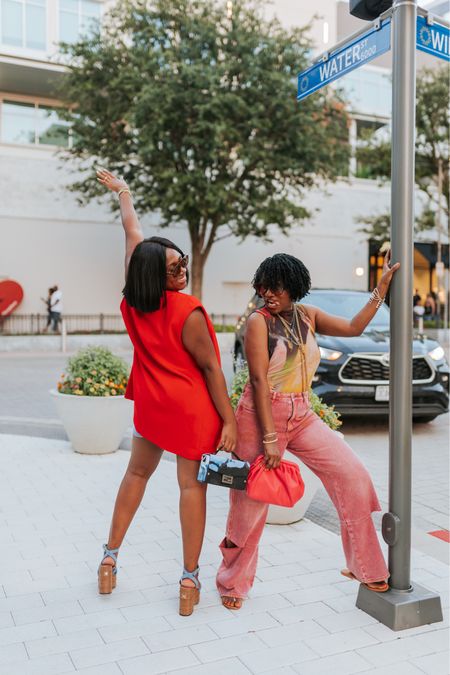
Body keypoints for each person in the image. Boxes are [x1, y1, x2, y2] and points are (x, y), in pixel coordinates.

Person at [216, 252, 400, 610]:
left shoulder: (308, 316)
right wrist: (270, 438)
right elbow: (256, 379)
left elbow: (353, 328)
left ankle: (365, 566)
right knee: (249, 507)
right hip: (259, 415)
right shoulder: (259, 321)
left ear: (295, 288)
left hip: (301, 411)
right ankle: (232, 583)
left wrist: (380, 290)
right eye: (264, 286)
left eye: (278, 287)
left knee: (352, 475)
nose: (269, 293)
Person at [96, 168, 237, 616]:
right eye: (175, 267)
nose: (183, 271)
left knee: (136, 476)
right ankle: (189, 581)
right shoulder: (188, 310)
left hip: (153, 407)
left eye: (184, 264)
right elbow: (213, 369)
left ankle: (109, 558)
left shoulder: (133, 302)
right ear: (156, 273)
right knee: (190, 489)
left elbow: (132, 235)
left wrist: (124, 194)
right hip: (191, 411)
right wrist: (230, 421)